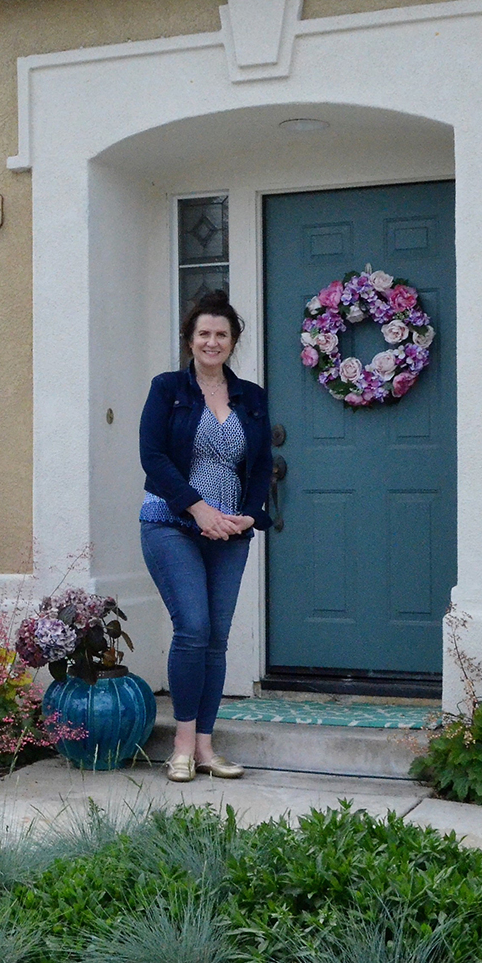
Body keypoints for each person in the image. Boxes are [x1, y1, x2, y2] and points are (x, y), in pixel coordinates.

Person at [137, 289, 274, 782]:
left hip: (229, 531)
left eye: (221, 334)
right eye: (203, 334)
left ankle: (206, 749)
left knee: (216, 639)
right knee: (192, 628)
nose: (212, 342)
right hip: (171, 522)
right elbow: (153, 456)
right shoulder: (168, 388)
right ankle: (180, 742)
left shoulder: (251, 396)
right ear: (189, 340)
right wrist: (198, 509)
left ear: (233, 341)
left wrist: (249, 515)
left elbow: (259, 466)